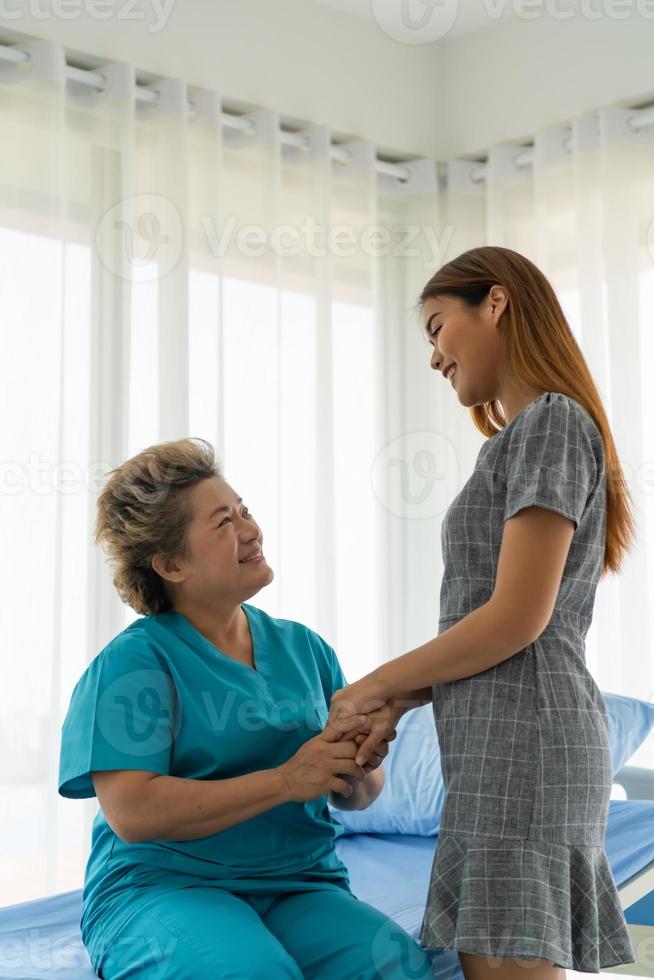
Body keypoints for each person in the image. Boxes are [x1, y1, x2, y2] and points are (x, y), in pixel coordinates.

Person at [324, 246, 638, 979]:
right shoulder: (523, 438)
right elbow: (489, 624)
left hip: (527, 743)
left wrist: (373, 684)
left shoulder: (552, 423)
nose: (435, 356)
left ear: (496, 302)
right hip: (501, 743)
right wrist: (400, 699)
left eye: (438, 327)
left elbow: (517, 619)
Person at [58, 438, 434, 979]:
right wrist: (286, 780)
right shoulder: (134, 663)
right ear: (170, 563)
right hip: (165, 889)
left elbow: (357, 796)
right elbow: (134, 813)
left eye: (245, 511)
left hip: (299, 885)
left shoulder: (305, 648)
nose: (251, 530)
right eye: (223, 523)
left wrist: (357, 767)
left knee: (399, 968)